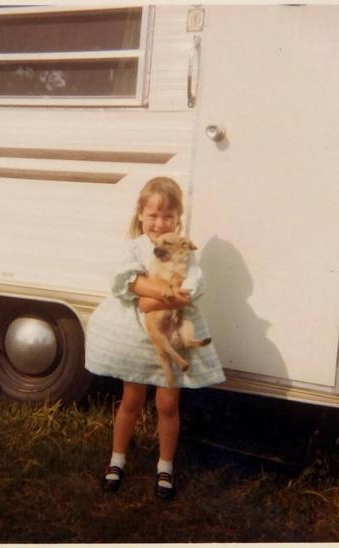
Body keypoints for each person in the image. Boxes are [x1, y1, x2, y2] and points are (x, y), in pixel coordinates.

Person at [84, 176, 225, 500]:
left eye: (167, 216)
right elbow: (127, 282)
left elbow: (192, 285)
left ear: (177, 219)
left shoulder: (182, 247)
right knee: (131, 400)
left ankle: (165, 466)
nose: (160, 223)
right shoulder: (134, 248)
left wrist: (153, 299)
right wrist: (159, 294)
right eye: (153, 215)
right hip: (136, 336)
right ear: (140, 215)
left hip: (171, 331)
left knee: (168, 402)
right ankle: (117, 460)